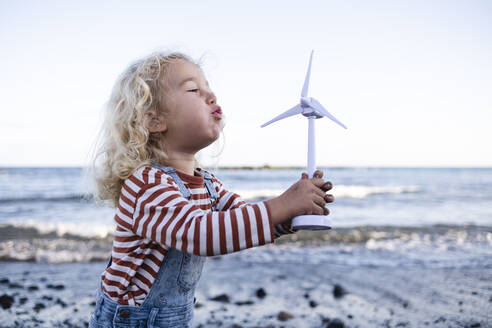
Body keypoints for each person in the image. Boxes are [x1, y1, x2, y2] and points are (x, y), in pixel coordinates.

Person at [89, 51, 334, 328]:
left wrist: (293, 213)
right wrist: (282, 204)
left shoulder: (208, 184)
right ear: (154, 121)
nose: (212, 97)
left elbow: (241, 220)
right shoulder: (146, 185)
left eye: (209, 88)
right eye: (194, 90)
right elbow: (201, 234)